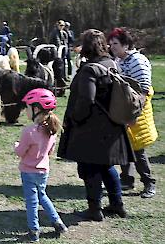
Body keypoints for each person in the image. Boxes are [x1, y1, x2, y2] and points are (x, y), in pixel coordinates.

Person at [57, 29, 133, 222]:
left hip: (92, 128)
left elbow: (86, 100)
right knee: (107, 167)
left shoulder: (90, 69)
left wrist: (75, 118)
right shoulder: (110, 63)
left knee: (90, 169)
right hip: (110, 126)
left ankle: (94, 209)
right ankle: (117, 204)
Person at [107, 28, 157, 198]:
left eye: (115, 44)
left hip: (136, 111)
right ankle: (127, 179)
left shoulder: (137, 60)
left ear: (126, 45)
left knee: (137, 150)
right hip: (123, 109)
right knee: (122, 147)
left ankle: (149, 182)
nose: (112, 46)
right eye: (111, 43)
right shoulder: (119, 59)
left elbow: (143, 90)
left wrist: (134, 115)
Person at [14, 88, 68, 242]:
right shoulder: (52, 130)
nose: (26, 111)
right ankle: (58, 222)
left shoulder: (29, 131)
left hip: (28, 172)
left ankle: (34, 230)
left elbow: (20, 152)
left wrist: (16, 146)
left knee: (31, 201)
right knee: (42, 196)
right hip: (43, 171)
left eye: (27, 107)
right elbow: (49, 152)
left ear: (36, 109)